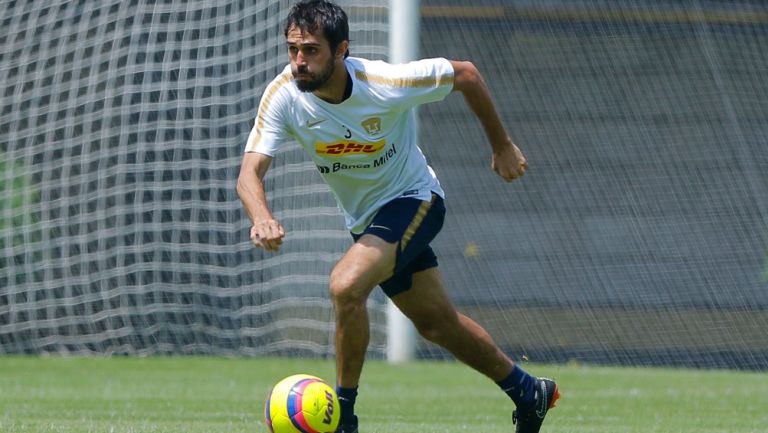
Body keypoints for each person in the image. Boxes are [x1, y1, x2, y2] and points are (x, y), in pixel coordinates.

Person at [237, 1, 560, 432]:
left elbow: (466, 74)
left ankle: (344, 417)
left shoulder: (384, 82)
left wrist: (501, 145)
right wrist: (261, 216)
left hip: (415, 199)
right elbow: (248, 173)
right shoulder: (284, 96)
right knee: (436, 324)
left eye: (311, 50)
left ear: (341, 50)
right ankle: (528, 390)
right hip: (368, 223)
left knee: (345, 285)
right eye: (293, 49)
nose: (299, 61)